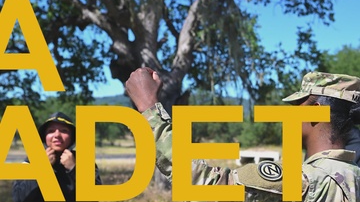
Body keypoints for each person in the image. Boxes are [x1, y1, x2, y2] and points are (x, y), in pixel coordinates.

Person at [125, 68, 360, 201]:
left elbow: (205, 183)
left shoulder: (306, 180)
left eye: (298, 104)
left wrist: (149, 108)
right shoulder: (353, 175)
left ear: (316, 111)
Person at [12, 111, 102, 202]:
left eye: (64, 130)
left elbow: (96, 197)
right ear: (44, 137)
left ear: (72, 137)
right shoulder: (31, 160)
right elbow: (19, 198)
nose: (57, 135)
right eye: (51, 131)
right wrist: (42, 168)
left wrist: (74, 169)